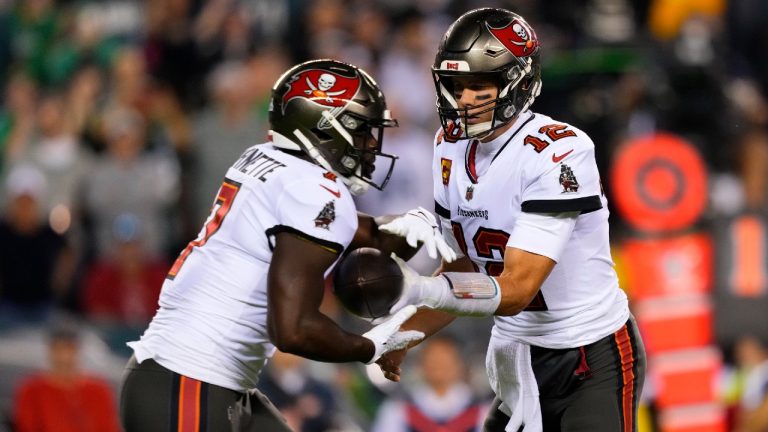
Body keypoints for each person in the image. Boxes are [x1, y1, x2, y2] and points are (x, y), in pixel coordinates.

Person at [119, 59, 456, 432]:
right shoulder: (313, 189)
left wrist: (417, 223)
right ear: (323, 128)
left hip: (196, 381)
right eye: (361, 130)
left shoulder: (269, 159)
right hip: (188, 383)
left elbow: (365, 234)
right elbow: (292, 330)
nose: (370, 145)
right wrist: (370, 346)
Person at [376, 8, 647, 432]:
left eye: (478, 85)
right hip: (516, 356)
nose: (463, 99)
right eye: (456, 85)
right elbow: (465, 267)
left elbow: (518, 288)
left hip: (587, 356)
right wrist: (406, 332)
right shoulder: (448, 145)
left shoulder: (558, 152)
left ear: (517, 83)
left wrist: (416, 287)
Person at [13, 325, 121, 432]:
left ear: (77, 350)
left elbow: (107, 427)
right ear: (50, 350)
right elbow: (26, 427)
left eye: (69, 349)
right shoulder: (32, 389)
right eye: (58, 349)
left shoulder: (98, 390)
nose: (64, 356)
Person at [371, 335, 490, 432]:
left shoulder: (482, 411)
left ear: (460, 364)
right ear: (421, 365)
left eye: (445, 360)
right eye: (433, 360)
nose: (439, 365)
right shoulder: (397, 410)